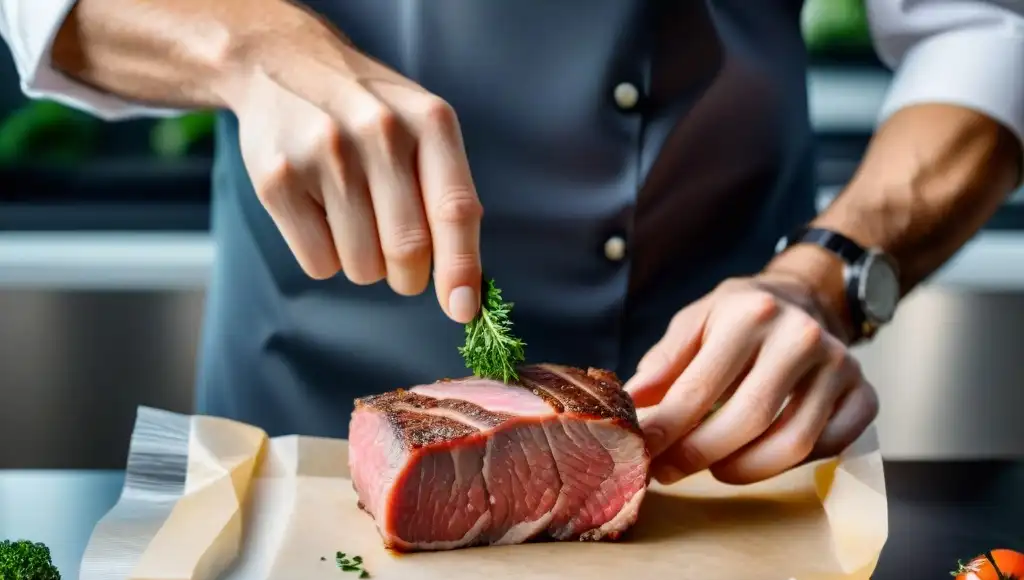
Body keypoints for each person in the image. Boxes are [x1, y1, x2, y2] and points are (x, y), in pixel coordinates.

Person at [1, 1, 1020, 486]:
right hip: (288, 441)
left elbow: (983, 26)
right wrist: (245, 44)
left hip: (720, 444)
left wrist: (826, 275)